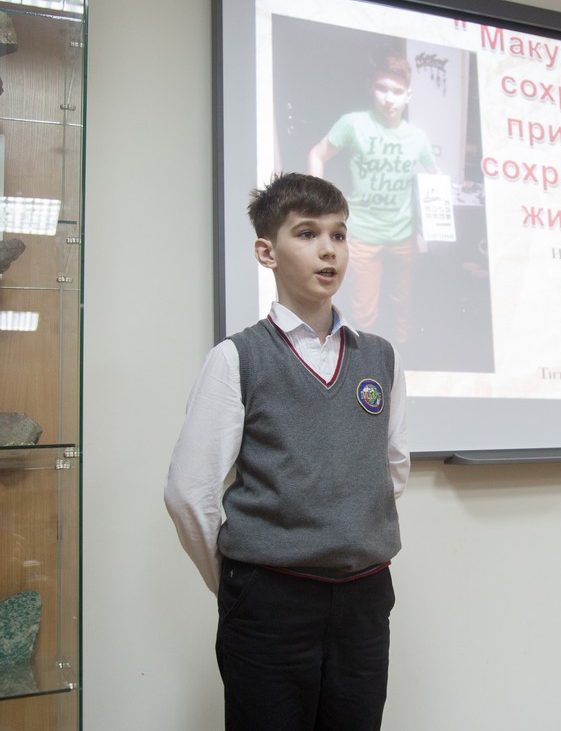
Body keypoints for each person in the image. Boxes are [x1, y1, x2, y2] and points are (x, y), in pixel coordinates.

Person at [164, 172, 410, 731]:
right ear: (266, 252)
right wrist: (239, 578)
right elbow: (188, 493)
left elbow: (391, 470)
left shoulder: (381, 357)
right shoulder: (237, 357)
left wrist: (346, 527)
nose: (329, 249)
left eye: (339, 234)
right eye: (307, 233)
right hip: (269, 599)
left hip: (365, 597)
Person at [308, 46, 437, 344]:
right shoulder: (354, 124)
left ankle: (402, 358)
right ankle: (363, 359)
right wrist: (318, 207)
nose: (389, 98)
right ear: (371, 87)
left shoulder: (418, 138)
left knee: (402, 302)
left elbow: (435, 175)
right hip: (363, 231)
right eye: (382, 88)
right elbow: (317, 154)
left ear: (408, 95)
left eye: (397, 91)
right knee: (363, 307)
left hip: (403, 232)